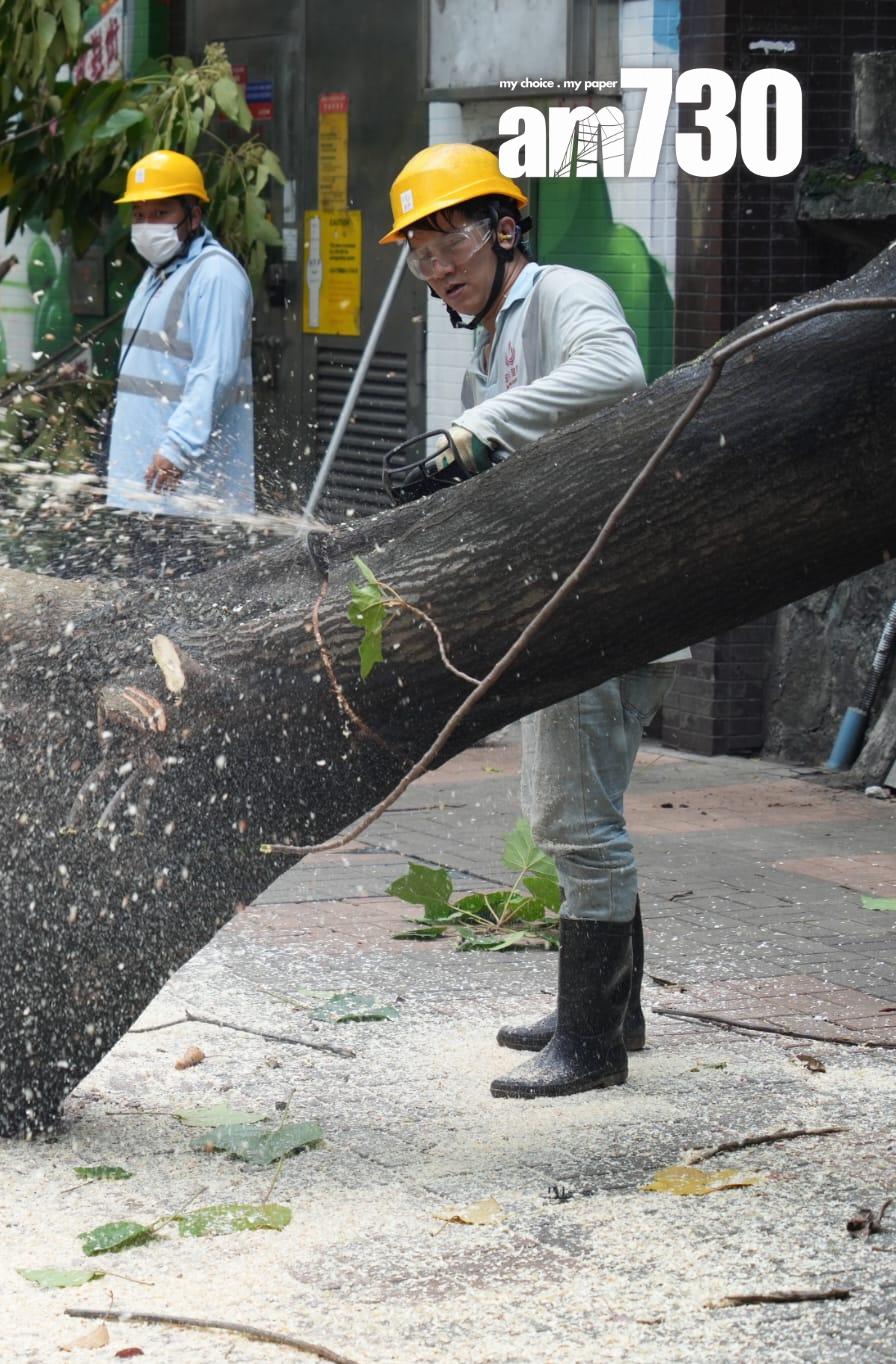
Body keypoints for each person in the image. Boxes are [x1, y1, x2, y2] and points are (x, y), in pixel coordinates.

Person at [380, 142, 676, 1100]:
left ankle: (591, 1043)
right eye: (421, 253)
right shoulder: (489, 339)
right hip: (566, 595)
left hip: (602, 595)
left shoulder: (563, 294)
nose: (438, 267)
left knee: (573, 817)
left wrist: (479, 428)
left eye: (452, 242)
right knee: (575, 811)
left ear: (506, 228)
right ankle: (614, 1009)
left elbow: (618, 370)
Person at [105, 149, 255, 530]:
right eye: (139, 215)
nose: (147, 225)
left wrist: (177, 450)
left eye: (160, 213)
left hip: (192, 501)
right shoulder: (158, 274)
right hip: (146, 492)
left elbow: (214, 374)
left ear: (194, 216)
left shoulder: (215, 276)